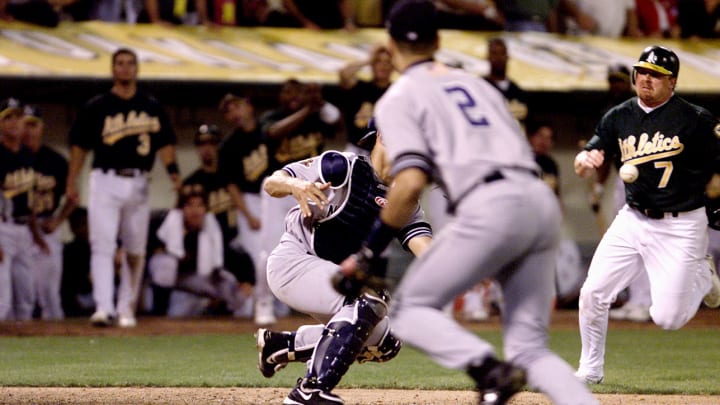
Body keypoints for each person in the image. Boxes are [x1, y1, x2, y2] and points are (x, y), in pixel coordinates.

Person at [335, 1, 598, 404]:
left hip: (490, 204)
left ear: (389, 43)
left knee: (410, 311)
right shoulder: (478, 85)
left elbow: (408, 183)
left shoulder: (398, 98)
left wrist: (368, 253)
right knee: (530, 349)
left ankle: (490, 372)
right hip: (536, 199)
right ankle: (510, 376)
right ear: (438, 40)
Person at [573, 45, 720, 385]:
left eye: (656, 75)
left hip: (682, 224)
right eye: (642, 72)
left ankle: (702, 274)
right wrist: (584, 160)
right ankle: (590, 369)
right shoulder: (619, 115)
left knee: (667, 319)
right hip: (633, 217)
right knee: (593, 292)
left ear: (673, 82)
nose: (646, 79)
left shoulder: (695, 119)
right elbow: (589, 153)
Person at [259, 123, 432, 405]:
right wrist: (295, 184)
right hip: (293, 262)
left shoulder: (405, 201)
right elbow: (271, 183)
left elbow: (426, 249)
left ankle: (280, 345)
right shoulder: (342, 166)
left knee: (385, 342)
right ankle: (308, 391)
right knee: (367, 305)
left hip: (333, 276)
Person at [66, 47, 181, 328]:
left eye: (130, 63)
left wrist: (174, 173)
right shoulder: (97, 106)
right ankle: (103, 307)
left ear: (136, 69)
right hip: (104, 179)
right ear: (113, 69)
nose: (125, 68)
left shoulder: (151, 106)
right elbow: (79, 147)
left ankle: (125, 307)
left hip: (139, 180)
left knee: (135, 248)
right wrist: (72, 181)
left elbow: (165, 143)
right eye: (120, 63)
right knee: (102, 245)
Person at [255, 78, 342, 325]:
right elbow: (272, 133)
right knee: (269, 249)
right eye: (288, 91)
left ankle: (323, 303)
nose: (293, 95)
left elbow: (337, 123)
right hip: (282, 189)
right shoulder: (273, 116)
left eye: (299, 92)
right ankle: (263, 302)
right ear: (281, 96)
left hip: (315, 189)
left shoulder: (316, 116)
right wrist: (307, 109)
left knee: (321, 247)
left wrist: (320, 102)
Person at [146, 184, 251, 317]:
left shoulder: (211, 226)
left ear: (205, 209)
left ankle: (218, 313)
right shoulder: (166, 222)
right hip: (161, 279)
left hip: (191, 277)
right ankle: (159, 313)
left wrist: (248, 279)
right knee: (167, 263)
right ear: (181, 208)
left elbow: (233, 254)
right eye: (189, 205)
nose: (195, 210)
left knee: (231, 290)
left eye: (200, 205)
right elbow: (144, 252)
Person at [218, 93, 278, 325]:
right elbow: (232, 186)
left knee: (278, 254)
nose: (235, 113)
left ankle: (272, 303)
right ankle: (263, 302)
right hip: (250, 199)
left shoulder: (269, 132)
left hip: (276, 195)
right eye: (229, 110)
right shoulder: (229, 145)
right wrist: (248, 214)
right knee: (259, 256)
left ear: (249, 106)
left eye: (237, 106)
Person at [183, 123, 255, 295]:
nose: (207, 149)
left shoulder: (234, 177)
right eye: (202, 144)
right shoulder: (192, 183)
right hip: (202, 252)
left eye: (212, 143)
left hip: (236, 245)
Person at [22, 105, 76, 321]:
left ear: (41, 128)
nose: (28, 130)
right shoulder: (10, 158)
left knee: (49, 295)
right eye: (24, 125)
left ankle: (55, 344)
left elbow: (73, 197)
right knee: (19, 294)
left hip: (46, 228)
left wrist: (58, 220)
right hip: (16, 226)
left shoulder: (54, 160)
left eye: (33, 125)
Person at [0, 97, 46, 321]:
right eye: (8, 118)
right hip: (3, 227)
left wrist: (36, 234)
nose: (14, 123)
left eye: (17, 117)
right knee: (2, 295)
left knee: (27, 293)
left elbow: (30, 199)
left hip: (23, 230)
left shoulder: (27, 155)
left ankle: (26, 348)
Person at [337, 45, 393, 155]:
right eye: (378, 62)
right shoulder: (360, 87)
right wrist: (369, 60)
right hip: (355, 150)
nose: (383, 66)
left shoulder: (397, 91)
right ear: (372, 65)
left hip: (385, 152)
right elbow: (344, 72)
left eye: (387, 62)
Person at [482, 37, 528, 124]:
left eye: (502, 53)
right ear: (488, 57)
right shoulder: (480, 87)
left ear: (507, 57)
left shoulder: (517, 91)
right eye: (494, 53)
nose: (499, 58)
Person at [61, 207, 95, 317]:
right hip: (81, 297)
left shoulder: (99, 246)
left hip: (97, 294)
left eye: (86, 224)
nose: (85, 228)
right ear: (72, 227)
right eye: (80, 225)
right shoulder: (71, 250)